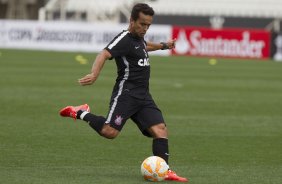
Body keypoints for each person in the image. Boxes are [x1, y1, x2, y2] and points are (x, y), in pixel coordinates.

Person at [59, 3, 188, 182]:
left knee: (160, 130)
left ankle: (164, 171)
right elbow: (104, 53)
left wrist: (164, 45)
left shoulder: (139, 38)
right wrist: (94, 74)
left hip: (143, 95)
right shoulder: (124, 38)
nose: (145, 28)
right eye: (142, 24)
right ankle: (80, 112)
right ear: (132, 21)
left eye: (148, 25)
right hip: (126, 94)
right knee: (109, 132)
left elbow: (144, 46)